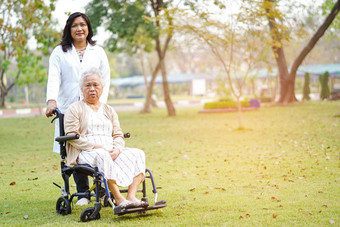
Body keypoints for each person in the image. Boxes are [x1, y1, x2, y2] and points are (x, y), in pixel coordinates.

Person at [45, 12, 110, 205]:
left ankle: (102, 190)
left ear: (88, 28)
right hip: (68, 108)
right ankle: (82, 193)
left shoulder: (98, 51)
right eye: (75, 25)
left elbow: (105, 79)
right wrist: (51, 101)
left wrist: (101, 103)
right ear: (69, 29)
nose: (79, 29)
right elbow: (53, 78)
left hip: (94, 107)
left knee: (96, 143)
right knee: (73, 146)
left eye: (83, 25)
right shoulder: (59, 52)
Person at [64, 68, 147, 208]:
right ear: (81, 89)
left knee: (138, 153)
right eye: (88, 86)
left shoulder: (109, 110)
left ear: (102, 88)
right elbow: (72, 136)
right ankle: (119, 199)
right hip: (87, 151)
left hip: (110, 150)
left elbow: (118, 134)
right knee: (103, 155)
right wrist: (96, 146)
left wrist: (118, 149)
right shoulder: (74, 108)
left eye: (95, 85)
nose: (92, 89)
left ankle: (131, 197)